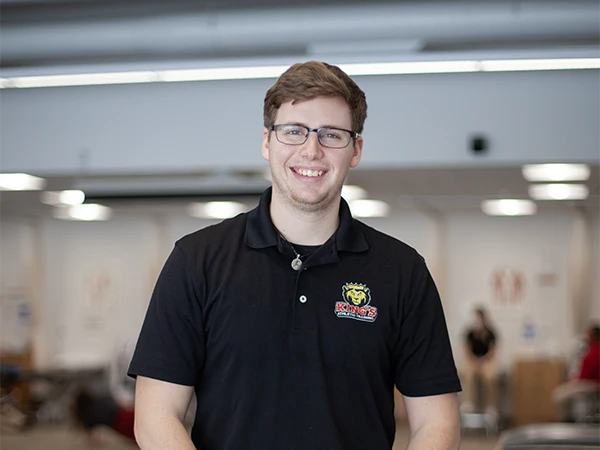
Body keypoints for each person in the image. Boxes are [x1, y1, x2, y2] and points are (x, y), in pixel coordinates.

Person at [128, 60, 461, 449]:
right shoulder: (197, 261)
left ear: (355, 150)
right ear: (267, 141)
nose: (311, 150)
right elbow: (155, 418)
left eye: (332, 135)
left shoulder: (403, 272)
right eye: (294, 131)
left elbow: (437, 424)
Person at [553, 325, 600, 421]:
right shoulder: (592, 350)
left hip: (593, 384)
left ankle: (565, 422)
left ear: (594, 336)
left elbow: (588, 373)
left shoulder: (596, 351)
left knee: (559, 395)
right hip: (589, 381)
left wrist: (577, 380)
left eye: (588, 335)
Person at [460, 307, 498, 415]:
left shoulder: (490, 334)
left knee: (490, 377)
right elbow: (467, 350)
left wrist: (482, 360)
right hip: (473, 361)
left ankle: (490, 406)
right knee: (467, 374)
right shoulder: (470, 334)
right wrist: (475, 361)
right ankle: (467, 403)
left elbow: (492, 351)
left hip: (486, 361)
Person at [72, 388, 136, 446]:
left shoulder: (89, 416)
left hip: (118, 425)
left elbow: (91, 438)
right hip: (124, 413)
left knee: (138, 436)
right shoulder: (101, 399)